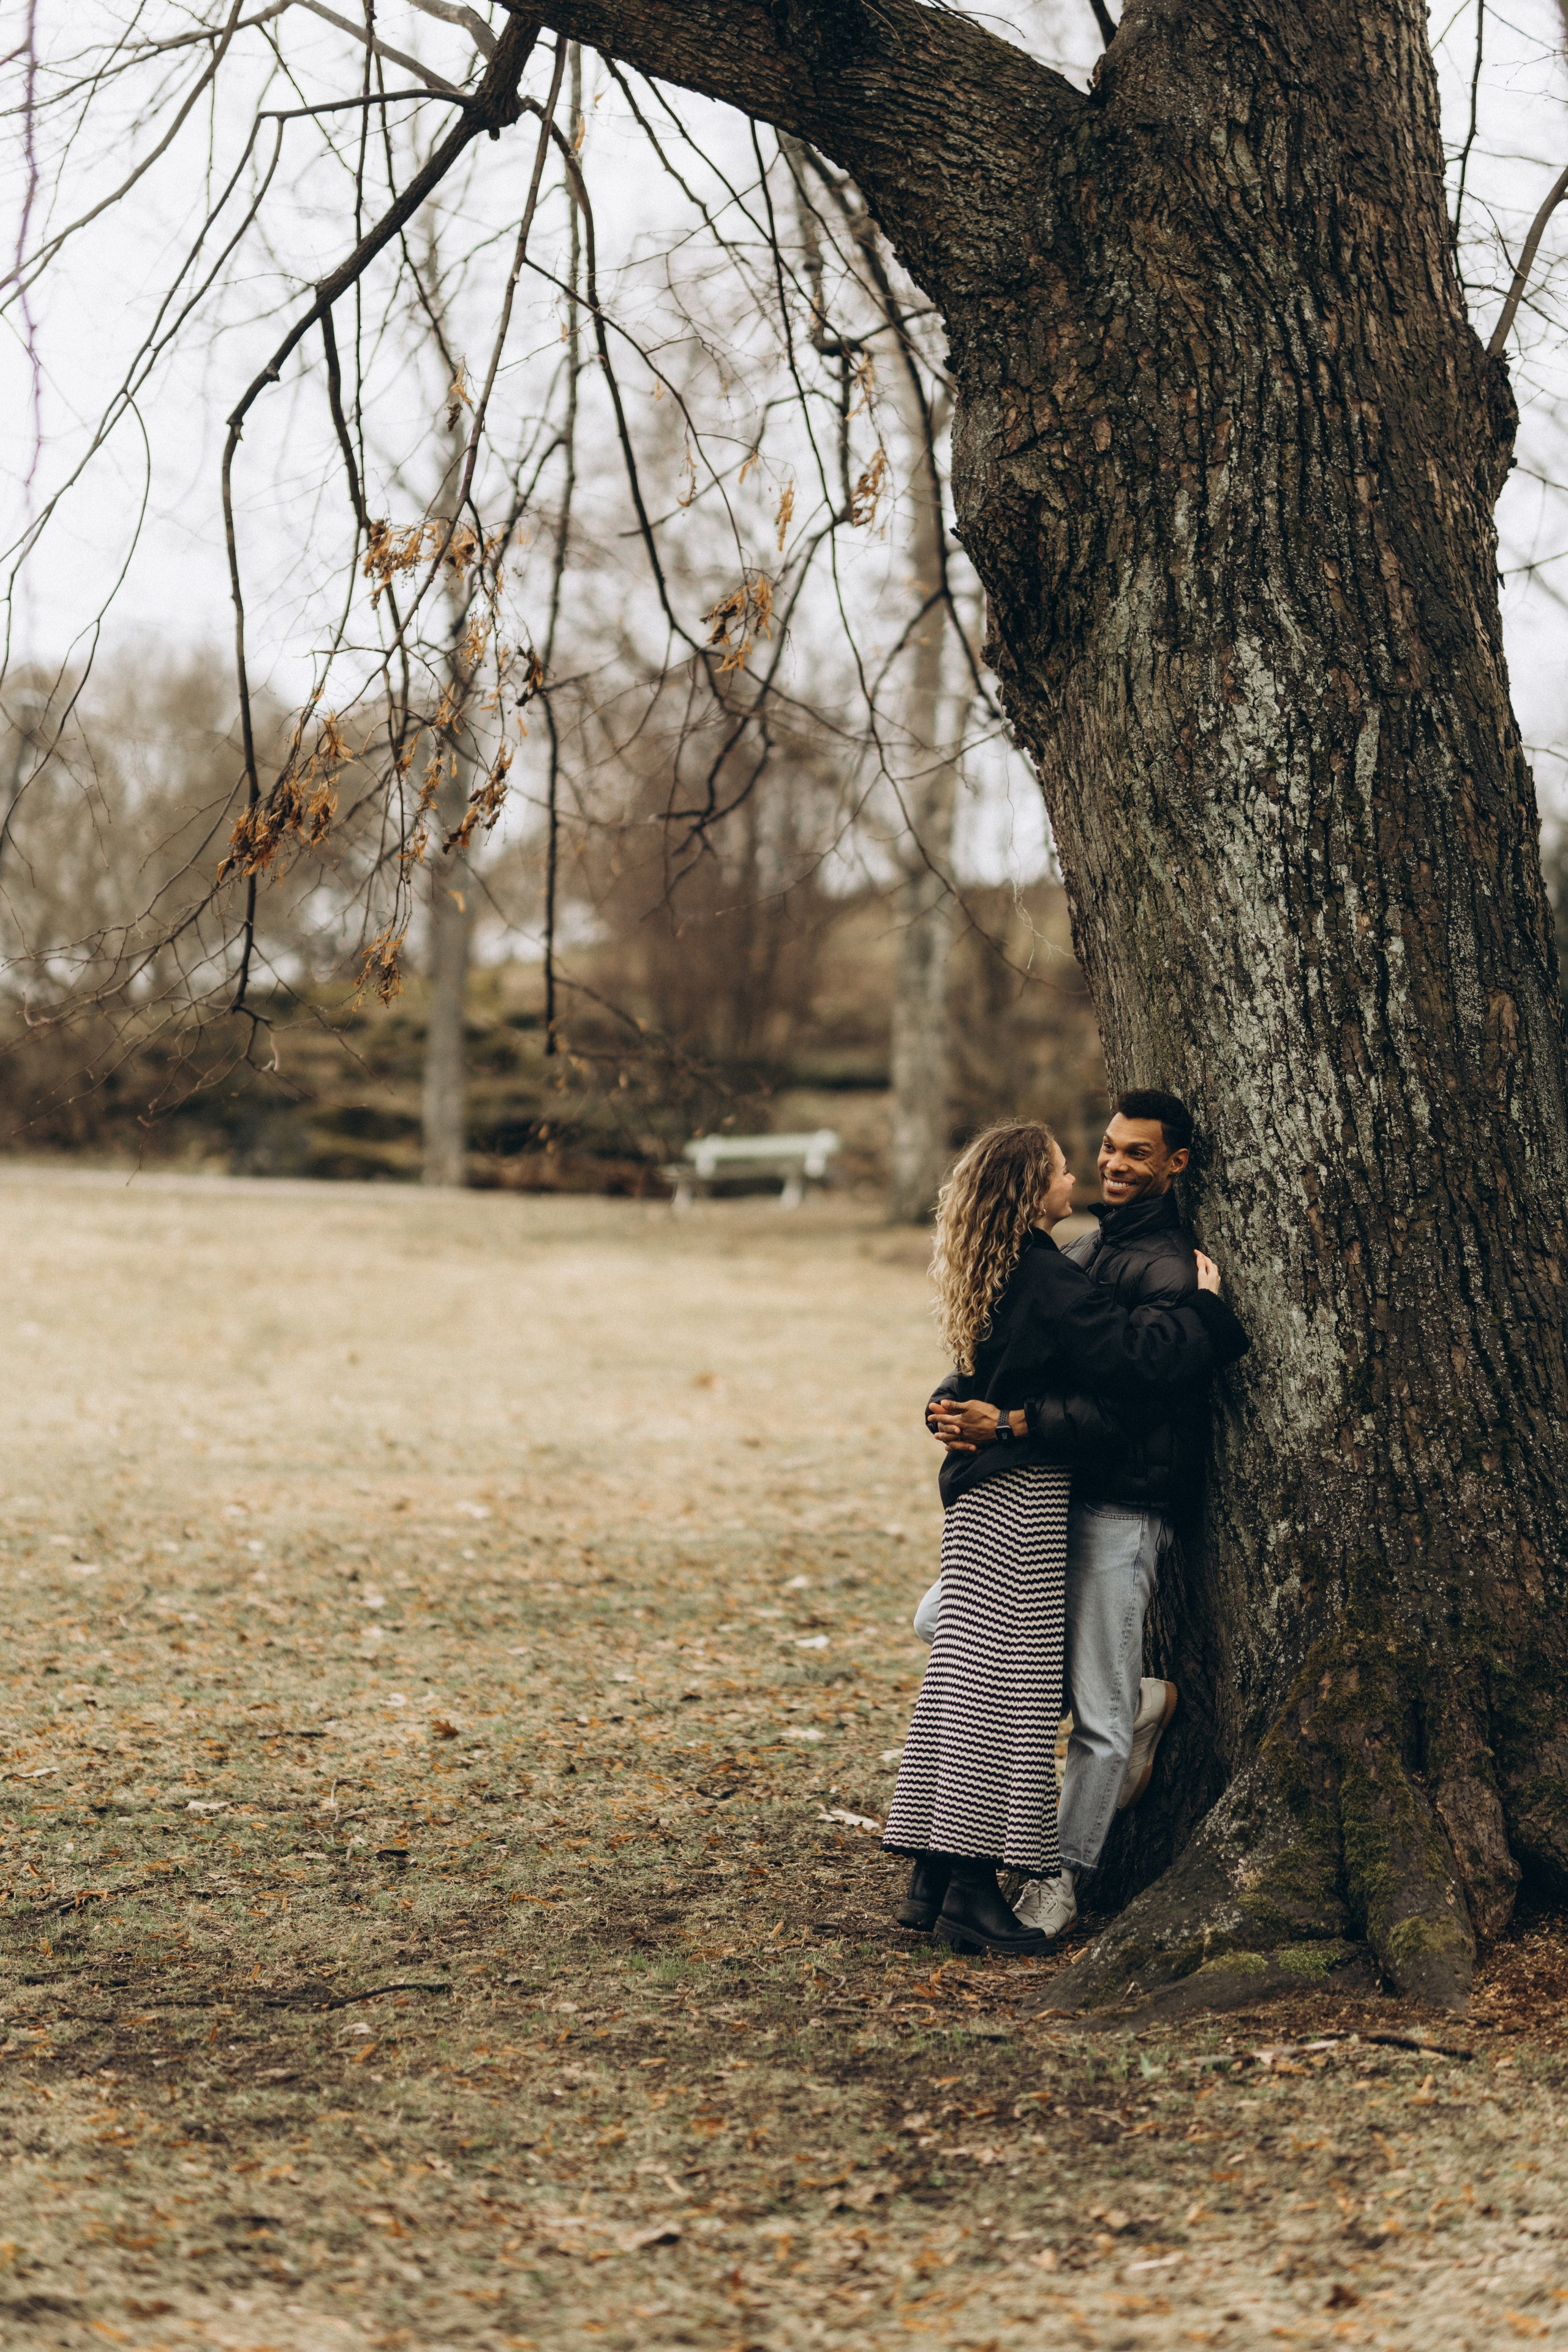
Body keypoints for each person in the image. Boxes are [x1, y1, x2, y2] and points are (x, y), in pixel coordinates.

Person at [882, 1120, 1247, 1956]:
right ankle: (974, 1892)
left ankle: (935, 1877)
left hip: (1001, 1494)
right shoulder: (1053, 1265)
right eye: (1061, 1166)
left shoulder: (1006, 1260)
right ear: (1027, 1187)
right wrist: (1209, 1313)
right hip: (1020, 1499)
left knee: (970, 1677)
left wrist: (968, 1410)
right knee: (1002, 1692)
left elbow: (1006, 1368)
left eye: (1125, 1151)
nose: (1082, 1171)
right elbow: (1134, 1360)